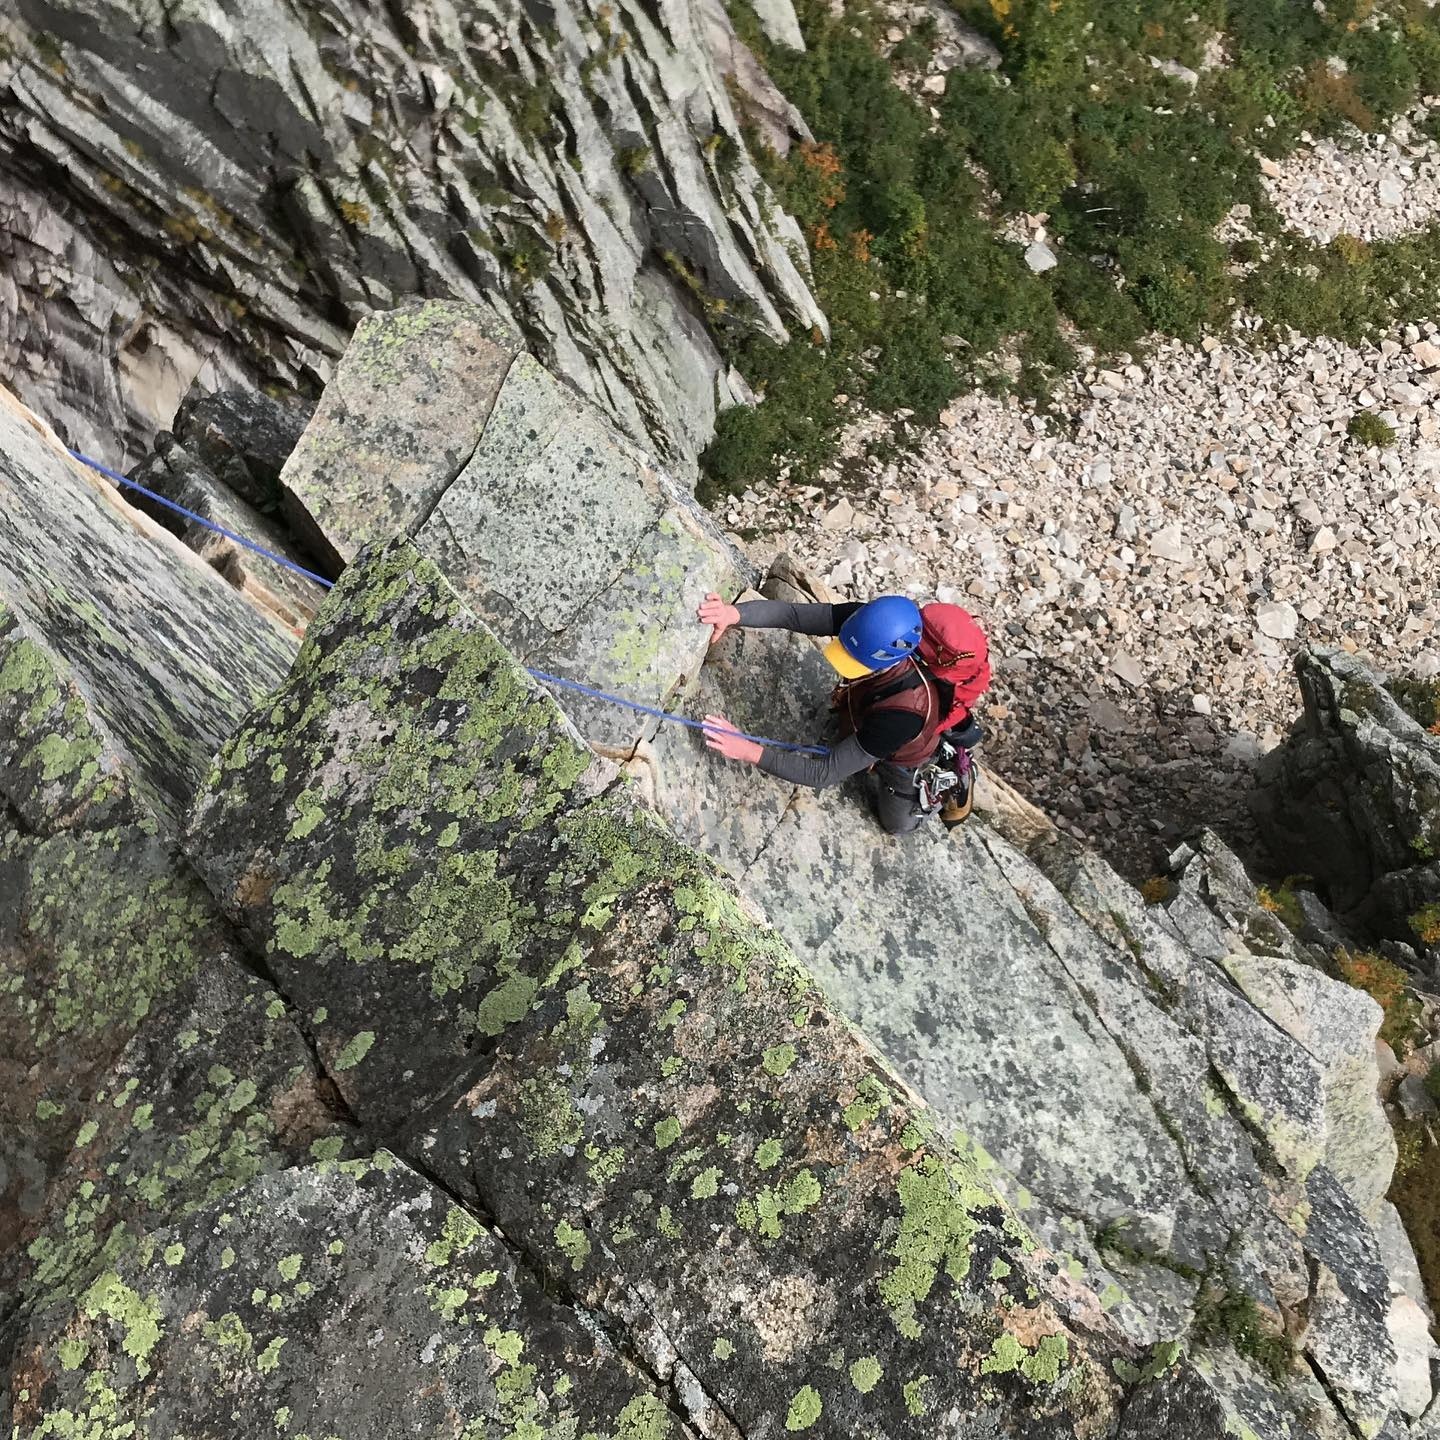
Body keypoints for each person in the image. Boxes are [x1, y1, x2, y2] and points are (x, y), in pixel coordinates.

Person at [697, 591, 991, 834]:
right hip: (872, 712)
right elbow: (792, 615)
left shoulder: (903, 714)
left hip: (904, 756)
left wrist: (747, 750)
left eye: (857, 662)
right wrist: (733, 614)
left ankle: (953, 772)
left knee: (897, 825)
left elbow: (823, 773)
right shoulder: (870, 626)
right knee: (849, 737)